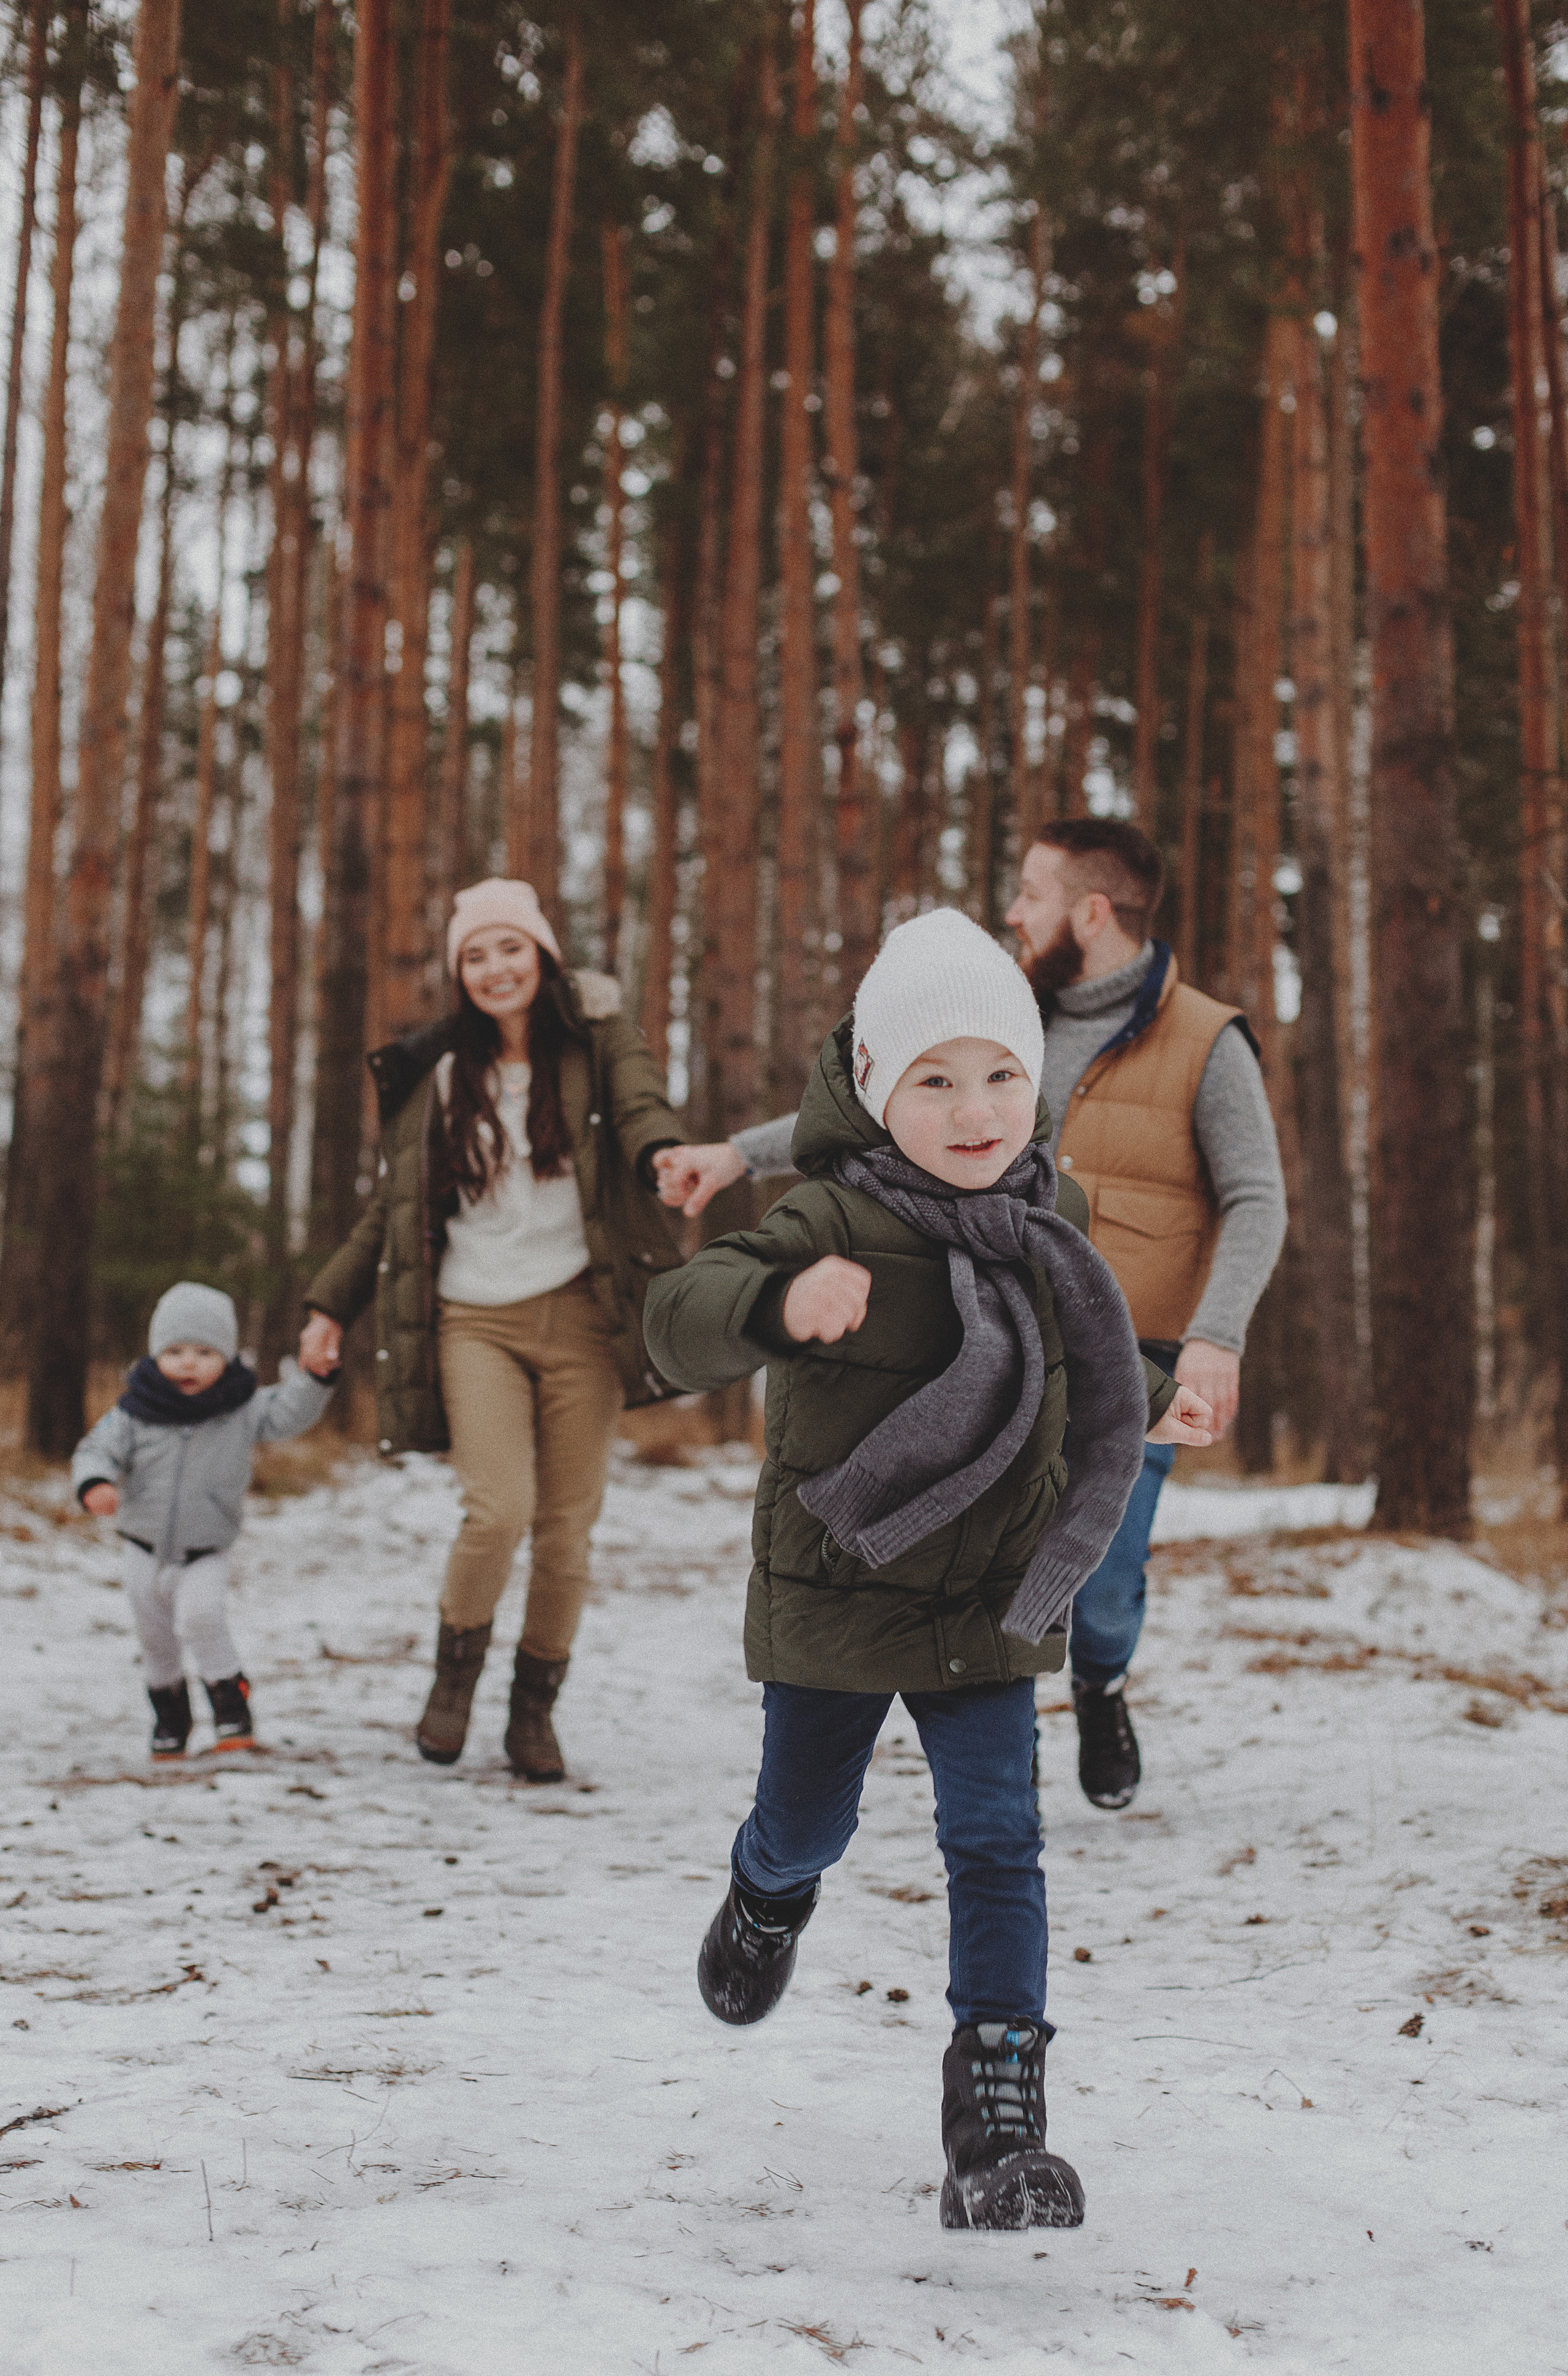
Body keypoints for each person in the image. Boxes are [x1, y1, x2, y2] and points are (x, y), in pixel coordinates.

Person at [643, 910, 1215, 2231]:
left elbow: (1072, 1361)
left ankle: (995, 2119)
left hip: (989, 1593)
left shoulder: (1048, 1214)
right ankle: (762, 1895)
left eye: (1001, 1075)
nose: (974, 1111)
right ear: (873, 1084)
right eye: (936, 1080)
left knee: (997, 1841)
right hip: (841, 1588)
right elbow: (678, 1316)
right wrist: (781, 1306)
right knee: (808, 1823)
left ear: (1036, 1084)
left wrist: (1155, 1389)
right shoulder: (823, 1213)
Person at [655, 820, 1285, 1811]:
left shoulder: (1206, 1038)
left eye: (1030, 894)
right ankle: (999, 1765)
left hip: (1128, 1345)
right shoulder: (991, 1007)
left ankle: (1099, 1680)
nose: (1013, 914)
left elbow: (1256, 1192)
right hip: (980, 1332)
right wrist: (740, 1153)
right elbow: (882, 1102)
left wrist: (1218, 1331)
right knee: (1003, 1539)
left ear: (1092, 911)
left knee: (1107, 1578)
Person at [298, 879, 688, 1782]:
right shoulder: (439, 1077)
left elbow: (639, 1110)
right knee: (497, 1510)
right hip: (475, 1318)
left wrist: (662, 1155)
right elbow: (388, 1215)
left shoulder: (596, 1044)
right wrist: (328, 1306)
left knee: (565, 1533)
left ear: (543, 954)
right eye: (475, 955)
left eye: (511, 948)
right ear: (459, 974)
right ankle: (453, 1680)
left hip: (585, 1320)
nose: (495, 968)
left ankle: (533, 1711)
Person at [71, 1281, 338, 1759]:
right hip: (142, 1545)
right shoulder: (135, 1410)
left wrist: (314, 1379)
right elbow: (98, 1448)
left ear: (228, 1357)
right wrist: (96, 1481)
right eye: (174, 1351)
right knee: (155, 1639)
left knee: (201, 1617)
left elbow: (288, 1413)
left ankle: (232, 1707)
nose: (188, 1362)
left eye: (203, 1351)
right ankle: (170, 1717)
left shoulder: (241, 1406)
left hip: (206, 1547)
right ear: (156, 1355)